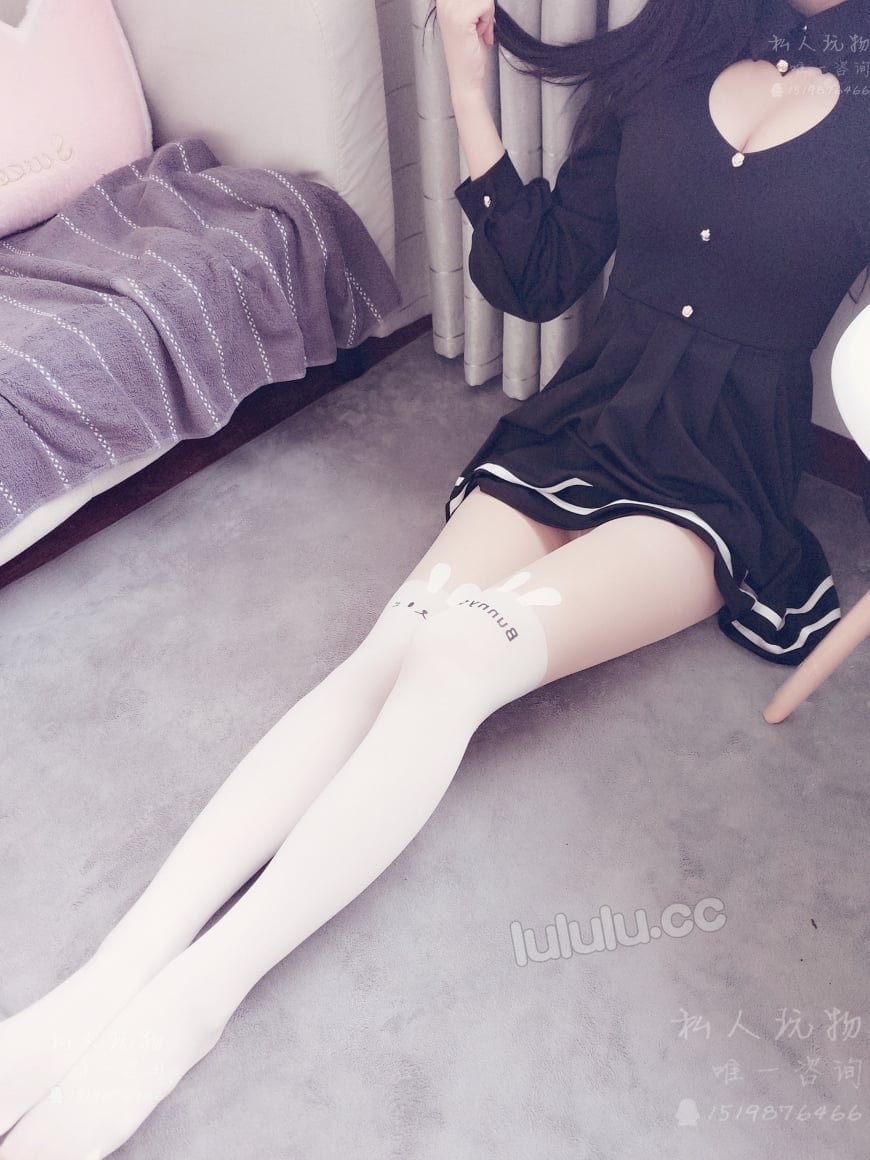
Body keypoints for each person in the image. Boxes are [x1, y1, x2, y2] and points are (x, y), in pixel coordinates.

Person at [0, 1, 866, 1156]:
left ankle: (192, 1004)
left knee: (463, 651)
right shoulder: (667, 58)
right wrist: (467, 87)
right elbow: (540, 275)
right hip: (580, 430)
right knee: (393, 643)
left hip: (713, 482)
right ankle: (103, 982)